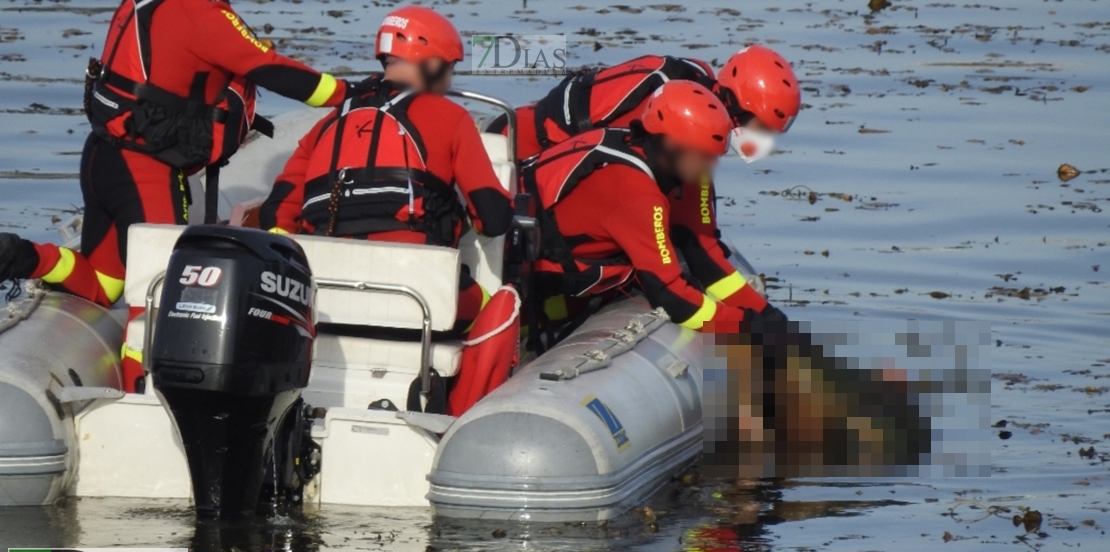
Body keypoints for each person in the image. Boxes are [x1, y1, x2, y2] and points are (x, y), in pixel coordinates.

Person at [0, 0, 351, 308]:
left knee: (104, 285)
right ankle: (143, 380)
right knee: (158, 294)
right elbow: (275, 71)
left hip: (101, 156)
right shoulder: (202, 14)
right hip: (146, 171)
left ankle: (21, 256)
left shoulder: (143, 4)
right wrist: (351, 93)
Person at [258, 6, 514, 335]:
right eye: (449, 68)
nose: (450, 80)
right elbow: (493, 221)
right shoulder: (451, 118)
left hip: (323, 294)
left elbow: (277, 213)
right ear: (432, 62)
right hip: (416, 291)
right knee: (501, 313)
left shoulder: (327, 124)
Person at [491, 45, 800, 316]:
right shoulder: (671, 123)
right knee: (619, 261)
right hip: (516, 155)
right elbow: (674, 229)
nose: (761, 140)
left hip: (549, 172)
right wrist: (752, 324)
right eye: (758, 127)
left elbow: (700, 241)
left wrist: (765, 317)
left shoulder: (691, 127)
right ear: (733, 103)